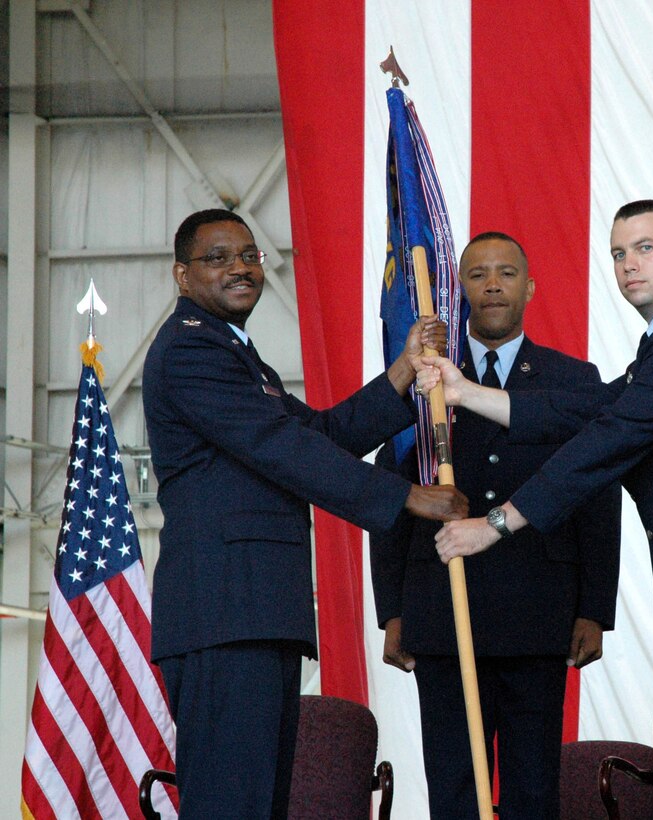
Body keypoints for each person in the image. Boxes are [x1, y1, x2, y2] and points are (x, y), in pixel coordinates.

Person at [422, 201, 653, 819]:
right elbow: (589, 411)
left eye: (645, 248)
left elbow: (608, 438)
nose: (628, 265)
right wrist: (466, 393)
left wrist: (497, 523)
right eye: (618, 253)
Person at [142, 208, 468, 819]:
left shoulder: (237, 356)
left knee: (259, 803)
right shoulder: (190, 351)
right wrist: (403, 496)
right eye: (218, 258)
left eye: (249, 255)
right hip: (224, 612)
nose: (240, 267)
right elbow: (281, 447)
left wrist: (401, 370)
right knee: (229, 804)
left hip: (256, 612)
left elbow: (319, 432)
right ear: (182, 276)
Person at [370, 232, 621, 819]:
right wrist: (393, 611)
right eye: (477, 274)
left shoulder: (573, 380)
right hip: (439, 611)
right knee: (454, 787)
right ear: (459, 291)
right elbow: (390, 498)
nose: (491, 285)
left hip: (539, 611)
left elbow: (596, 497)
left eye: (506, 273)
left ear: (529, 287)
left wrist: (594, 608)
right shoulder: (424, 378)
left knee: (534, 789)